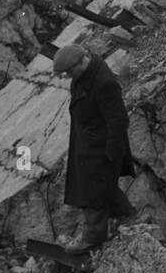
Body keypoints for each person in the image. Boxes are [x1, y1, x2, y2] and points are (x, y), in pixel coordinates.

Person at [52, 43, 136, 251]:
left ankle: (92, 237)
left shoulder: (103, 83)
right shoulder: (85, 76)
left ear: (82, 61)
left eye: (70, 71)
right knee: (101, 186)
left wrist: (112, 154)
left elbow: (118, 121)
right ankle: (126, 216)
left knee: (93, 193)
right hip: (88, 144)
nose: (68, 76)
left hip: (101, 148)